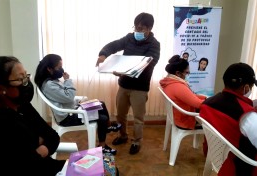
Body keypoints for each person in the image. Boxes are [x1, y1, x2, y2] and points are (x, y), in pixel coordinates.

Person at [0, 52, 65, 176]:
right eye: (20, 79)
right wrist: (38, 140)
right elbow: (25, 167)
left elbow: (53, 137)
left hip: (53, 168)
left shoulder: (23, 106)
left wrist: (38, 147)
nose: (26, 83)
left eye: (26, 76)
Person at [95, 12, 160, 154]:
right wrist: (103, 54)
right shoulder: (129, 38)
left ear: (149, 28)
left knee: (138, 118)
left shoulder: (155, 45)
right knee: (120, 115)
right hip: (124, 85)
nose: (138, 31)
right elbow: (114, 45)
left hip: (140, 88)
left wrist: (125, 71)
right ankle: (122, 135)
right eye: (136, 27)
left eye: (141, 28)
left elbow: (148, 63)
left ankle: (136, 141)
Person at [34, 54, 120, 155]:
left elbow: (63, 98)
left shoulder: (52, 81)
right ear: (49, 69)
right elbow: (68, 96)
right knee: (102, 119)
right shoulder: (49, 85)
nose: (62, 70)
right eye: (59, 67)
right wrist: (67, 81)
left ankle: (107, 127)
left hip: (73, 110)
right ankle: (102, 146)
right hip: (67, 117)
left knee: (100, 103)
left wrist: (77, 103)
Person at [200, 63, 257, 176]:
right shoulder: (246, 116)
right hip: (241, 166)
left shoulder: (208, 103)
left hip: (217, 156)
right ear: (245, 87)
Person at [159, 55, 206, 129]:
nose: (187, 74)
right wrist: (210, 101)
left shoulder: (169, 82)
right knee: (214, 123)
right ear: (178, 73)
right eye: (187, 72)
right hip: (185, 120)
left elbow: (190, 96)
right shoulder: (178, 86)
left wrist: (205, 98)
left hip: (177, 117)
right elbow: (199, 104)